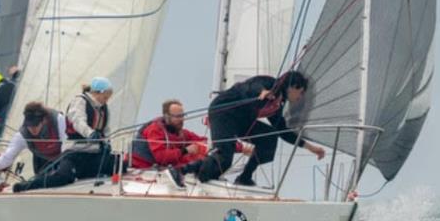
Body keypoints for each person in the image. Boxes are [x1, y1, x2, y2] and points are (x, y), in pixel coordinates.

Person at [175, 71, 325, 187]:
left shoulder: (277, 105)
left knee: (270, 137)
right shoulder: (269, 83)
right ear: (294, 86)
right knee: (224, 158)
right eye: (301, 92)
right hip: (223, 112)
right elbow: (249, 86)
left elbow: (283, 132)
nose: (301, 97)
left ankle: (244, 178)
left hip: (241, 120)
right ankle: (182, 171)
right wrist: (261, 92)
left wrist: (311, 148)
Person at [11, 78, 119, 192]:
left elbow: (106, 129)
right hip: (75, 153)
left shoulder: (103, 108)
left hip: (93, 152)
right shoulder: (80, 101)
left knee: (118, 163)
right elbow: (77, 120)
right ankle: (26, 186)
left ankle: (88, 173)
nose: (106, 101)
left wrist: (107, 142)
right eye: (105, 97)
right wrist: (90, 133)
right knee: (64, 177)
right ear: (97, 93)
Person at [130, 99, 251, 170]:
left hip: (159, 172)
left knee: (199, 153)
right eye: (178, 117)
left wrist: (241, 148)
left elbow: (206, 143)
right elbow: (161, 157)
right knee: (189, 156)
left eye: (183, 116)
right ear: (166, 117)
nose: (182, 119)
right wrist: (185, 151)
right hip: (141, 169)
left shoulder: (182, 134)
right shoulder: (154, 130)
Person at [0, 101, 67, 175]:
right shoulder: (22, 134)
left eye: (35, 124)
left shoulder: (58, 119)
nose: (32, 129)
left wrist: (63, 165)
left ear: (44, 120)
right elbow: (7, 156)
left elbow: (66, 144)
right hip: (44, 159)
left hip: (64, 155)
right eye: (29, 125)